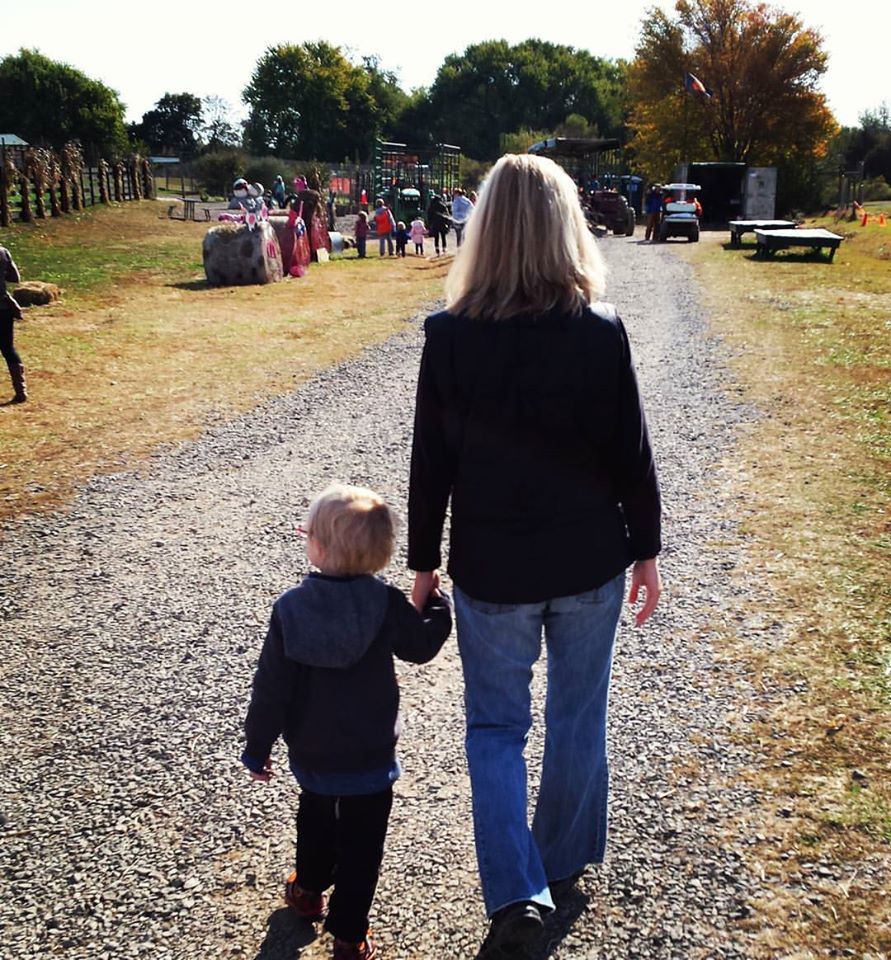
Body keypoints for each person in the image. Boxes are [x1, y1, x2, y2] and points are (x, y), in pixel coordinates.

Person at [407, 154, 662, 959]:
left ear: (483, 226)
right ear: (566, 226)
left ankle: (518, 889)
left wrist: (422, 562)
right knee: (577, 716)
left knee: (494, 727)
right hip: (588, 561)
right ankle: (555, 863)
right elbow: (633, 454)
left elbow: (429, 463)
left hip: (493, 571)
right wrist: (645, 549)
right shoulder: (599, 328)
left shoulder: (449, 336)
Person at [243, 483, 452, 960]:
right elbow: (419, 648)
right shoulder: (384, 602)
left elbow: (272, 688)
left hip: (314, 750)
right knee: (363, 847)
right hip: (370, 751)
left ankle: (309, 890)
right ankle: (349, 935)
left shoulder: (291, 609)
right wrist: (437, 605)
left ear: (316, 546)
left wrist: (258, 746)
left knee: (315, 819)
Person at [1, 244, 27, 404]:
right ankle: (21, 390)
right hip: (3, 308)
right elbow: (15, 278)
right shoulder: (3, 252)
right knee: (8, 348)